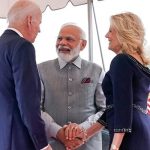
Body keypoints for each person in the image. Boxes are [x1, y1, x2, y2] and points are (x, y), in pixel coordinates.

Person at [82, 12, 150, 150]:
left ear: (123, 32)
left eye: (111, 31)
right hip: (141, 129)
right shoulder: (140, 64)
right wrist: (86, 135)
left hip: (128, 135)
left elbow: (123, 106)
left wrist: (114, 147)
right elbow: (115, 107)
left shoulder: (121, 60)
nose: (107, 35)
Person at [38, 23, 106, 150]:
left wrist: (81, 130)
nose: (62, 43)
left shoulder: (97, 70)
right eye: (59, 38)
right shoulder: (40, 69)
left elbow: (105, 109)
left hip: (89, 145)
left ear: (83, 45)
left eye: (69, 39)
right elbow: (35, 108)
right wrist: (58, 132)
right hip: (51, 145)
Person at [0, 1, 52, 150]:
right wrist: (43, 144)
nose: (39, 29)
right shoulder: (23, 47)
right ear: (30, 20)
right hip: (19, 139)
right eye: (39, 23)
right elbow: (28, 103)